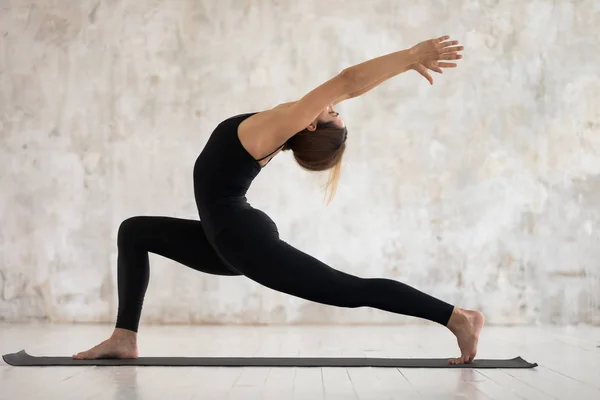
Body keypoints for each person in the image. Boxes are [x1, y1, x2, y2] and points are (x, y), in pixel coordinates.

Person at [74, 35, 483, 365]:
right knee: (134, 232)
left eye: (333, 112)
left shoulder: (279, 127)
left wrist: (411, 55)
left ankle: (457, 317)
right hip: (226, 239)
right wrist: (405, 64)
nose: (334, 105)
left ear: (309, 123)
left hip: (242, 241)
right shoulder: (278, 122)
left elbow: (347, 80)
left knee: (348, 289)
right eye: (336, 111)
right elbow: (348, 87)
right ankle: (124, 338)